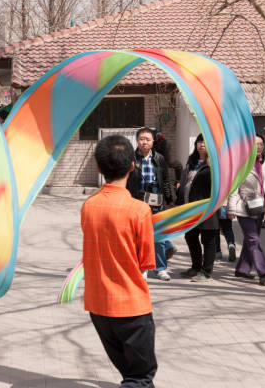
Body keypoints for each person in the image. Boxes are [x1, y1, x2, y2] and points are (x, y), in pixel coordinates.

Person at [82, 135, 157, 387]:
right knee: (141, 377)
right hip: (131, 307)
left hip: (98, 306)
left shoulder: (88, 206)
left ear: (99, 167)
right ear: (132, 165)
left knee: (131, 373)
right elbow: (146, 261)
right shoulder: (140, 210)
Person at [227, 135, 265, 286]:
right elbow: (234, 188)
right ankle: (263, 271)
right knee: (254, 239)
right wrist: (231, 208)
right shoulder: (241, 164)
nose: (259, 147)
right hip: (244, 207)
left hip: (260, 208)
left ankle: (242, 269)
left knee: (250, 240)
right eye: (255, 144)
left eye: (261, 144)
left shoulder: (264, 163)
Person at [127, 127, 173, 281]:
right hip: (137, 201)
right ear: (137, 140)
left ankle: (160, 268)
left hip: (156, 201)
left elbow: (166, 181)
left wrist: (169, 200)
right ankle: (143, 268)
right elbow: (126, 181)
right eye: (141, 139)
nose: (144, 142)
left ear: (153, 141)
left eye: (147, 139)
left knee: (158, 235)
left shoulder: (159, 159)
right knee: (139, 237)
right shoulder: (131, 158)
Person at [177, 134, 219, 282]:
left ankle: (206, 271)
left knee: (208, 240)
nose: (201, 144)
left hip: (206, 208)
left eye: (205, 142)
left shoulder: (214, 164)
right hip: (189, 208)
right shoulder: (191, 161)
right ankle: (195, 266)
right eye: (199, 141)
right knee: (190, 237)